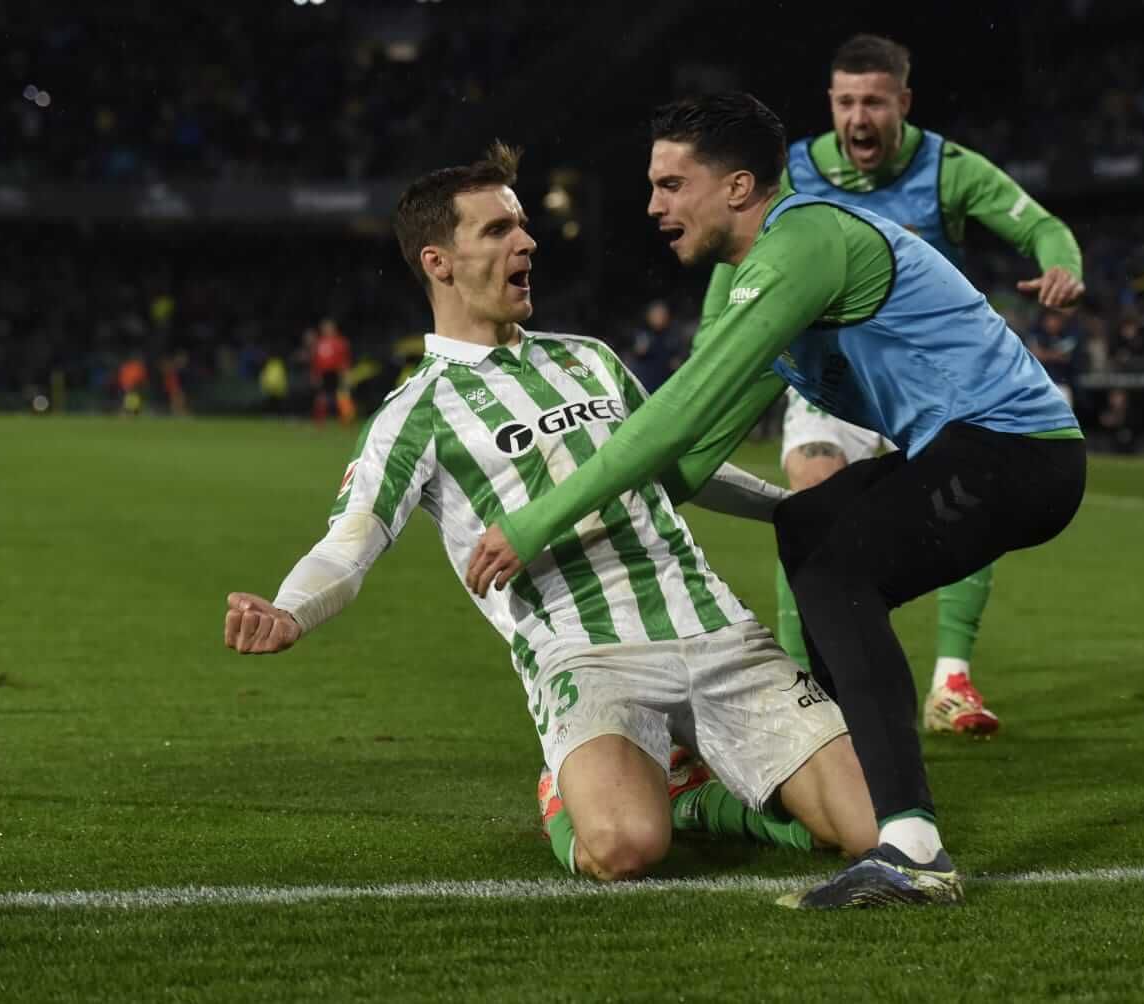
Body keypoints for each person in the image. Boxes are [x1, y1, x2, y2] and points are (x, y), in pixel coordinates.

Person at [464, 93, 1086, 908]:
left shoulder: (807, 242)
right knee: (810, 520)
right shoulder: (752, 274)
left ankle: (913, 849)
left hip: (1019, 454)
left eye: (671, 184)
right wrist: (603, 523)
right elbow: (691, 448)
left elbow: (678, 410)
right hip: (968, 451)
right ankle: (851, 765)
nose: (653, 205)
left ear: (739, 186)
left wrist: (538, 521)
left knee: (837, 574)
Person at [221, 142, 882, 890]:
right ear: (438, 262)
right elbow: (349, 544)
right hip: (585, 657)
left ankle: (698, 796)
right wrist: (288, 611)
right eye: (498, 230)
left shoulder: (590, 358)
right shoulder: (415, 413)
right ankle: (577, 791)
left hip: (712, 624)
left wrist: (790, 507)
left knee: (869, 827)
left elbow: (670, 469)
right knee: (626, 848)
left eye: (523, 225)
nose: (527, 241)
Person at [714, 35, 1086, 736]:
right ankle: (808, 698)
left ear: (902, 104)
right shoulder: (788, 170)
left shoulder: (947, 167)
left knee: (969, 501)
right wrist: (716, 352)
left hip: (935, 384)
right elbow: (731, 271)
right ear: (830, 102)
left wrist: (1060, 265)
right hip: (833, 382)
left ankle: (951, 681)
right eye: (847, 101)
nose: (860, 117)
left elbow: (1041, 225)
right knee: (814, 505)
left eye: (875, 103)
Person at [310, 317, 357, 426]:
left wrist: (345, 373)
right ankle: (319, 421)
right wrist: (315, 375)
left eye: (328, 327)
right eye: (324, 327)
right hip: (324, 374)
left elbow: (345, 359)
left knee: (342, 395)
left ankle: (347, 420)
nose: (326, 329)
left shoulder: (340, 342)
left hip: (337, 372)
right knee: (321, 397)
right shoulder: (319, 343)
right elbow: (315, 361)